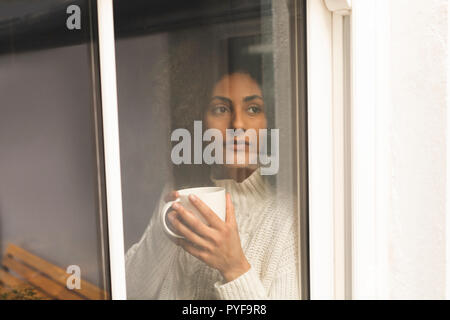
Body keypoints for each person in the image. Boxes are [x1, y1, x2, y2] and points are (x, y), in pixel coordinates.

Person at [125, 70, 300, 300]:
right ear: (199, 122)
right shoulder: (180, 193)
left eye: (253, 109)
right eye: (221, 109)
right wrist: (166, 232)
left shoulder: (289, 214)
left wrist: (234, 268)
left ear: (272, 122)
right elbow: (128, 291)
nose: (237, 124)